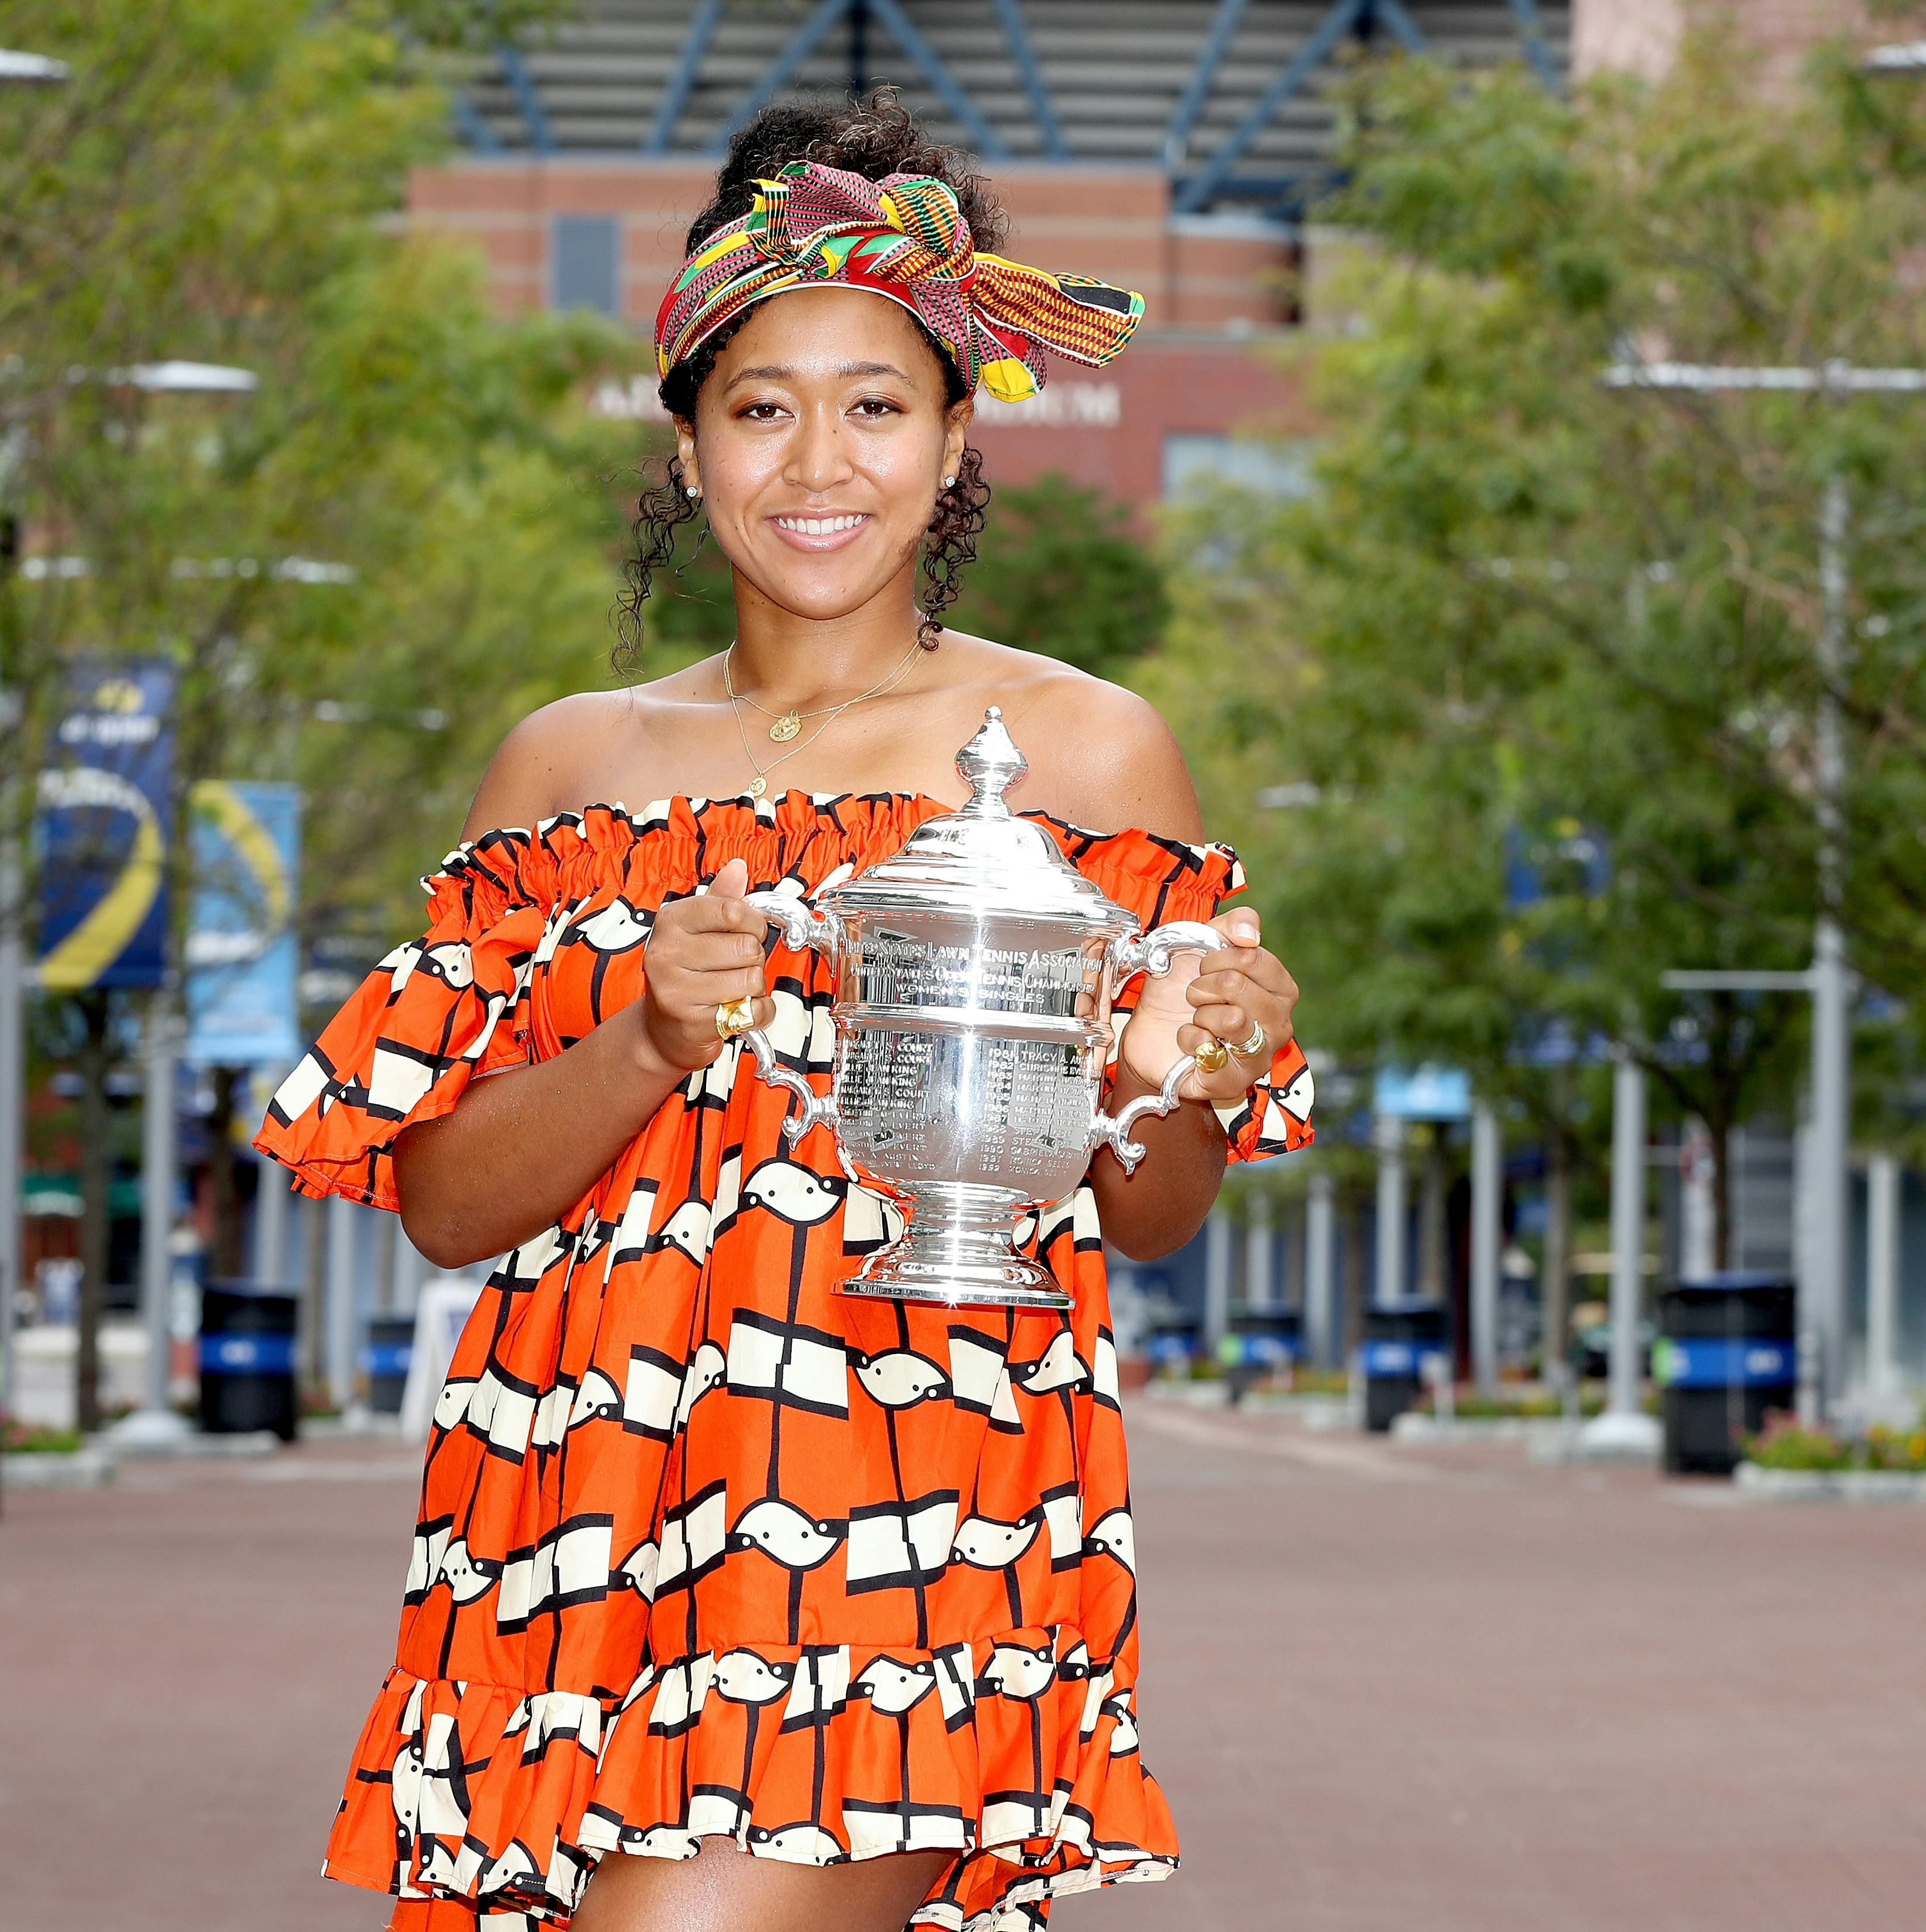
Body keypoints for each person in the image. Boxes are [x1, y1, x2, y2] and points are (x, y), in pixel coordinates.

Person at [254, 93, 1313, 1932]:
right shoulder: (568, 770)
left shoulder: (1081, 751)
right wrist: (648, 1037)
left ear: (959, 435)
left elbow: (1144, 1207)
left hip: (908, 1495)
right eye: (761, 406)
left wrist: (1198, 1070)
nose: (817, 460)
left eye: (877, 404)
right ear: (683, 446)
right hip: (568, 1509)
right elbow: (442, 1204)